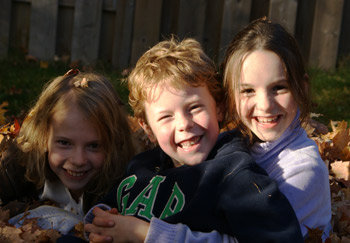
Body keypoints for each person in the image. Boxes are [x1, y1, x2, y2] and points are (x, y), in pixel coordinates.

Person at [129, 17, 332, 242]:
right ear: (228, 97)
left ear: (301, 88)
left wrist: (149, 233)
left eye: (279, 87)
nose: (265, 105)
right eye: (247, 91)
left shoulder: (302, 169)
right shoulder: (227, 144)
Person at [83, 37, 303, 243]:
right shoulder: (142, 166)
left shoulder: (233, 175)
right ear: (148, 128)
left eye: (194, 107)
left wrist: (147, 234)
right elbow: (109, 206)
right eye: (166, 117)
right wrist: (103, 221)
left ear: (219, 108)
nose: (184, 124)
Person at [0, 70, 137, 234]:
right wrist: (38, 212)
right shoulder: (20, 161)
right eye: (64, 143)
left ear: (113, 143)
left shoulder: (125, 183)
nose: (78, 160)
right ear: (43, 135)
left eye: (94, 145)